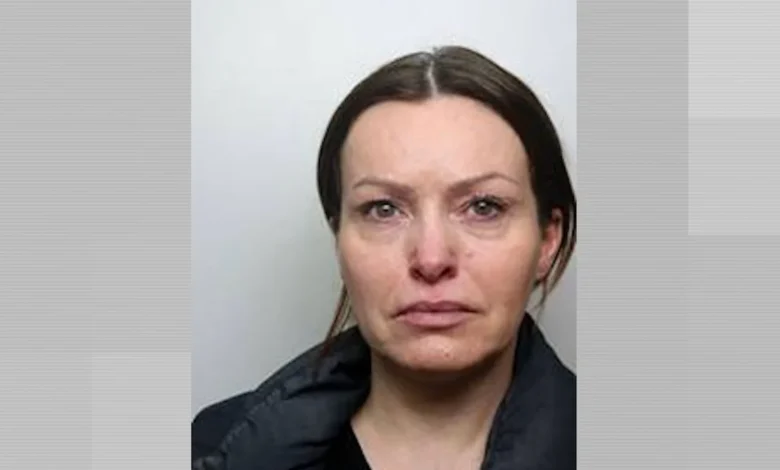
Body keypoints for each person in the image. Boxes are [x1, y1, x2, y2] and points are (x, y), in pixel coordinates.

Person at [192, 45, 576, 470]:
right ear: (339, 240)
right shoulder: (213, 450)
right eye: (383, 209)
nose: (431, 259)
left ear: (547, 240)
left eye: (483, 207)